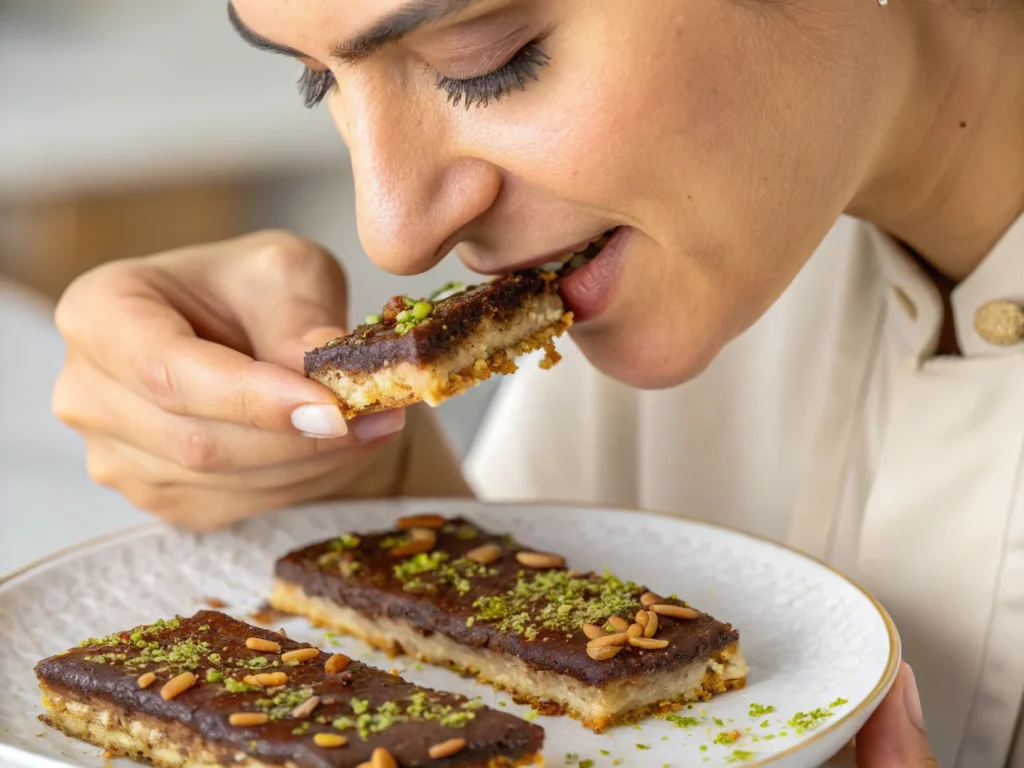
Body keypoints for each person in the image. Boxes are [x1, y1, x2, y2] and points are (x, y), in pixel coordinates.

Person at [49, 0, 1022, 764]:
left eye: (485, 61)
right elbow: (527, 680)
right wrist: (342, 484)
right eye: (319, 82)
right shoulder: (682, 247)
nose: (393, 231)